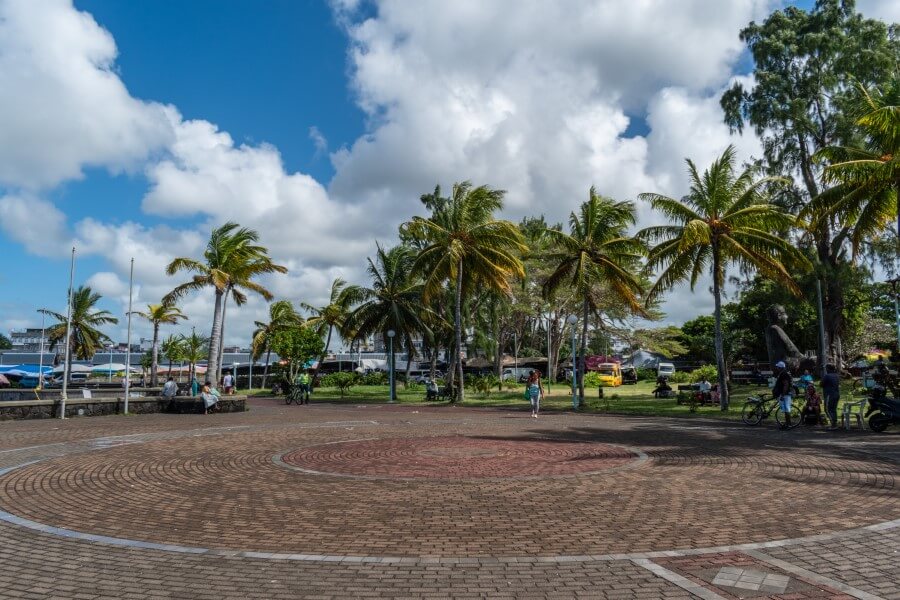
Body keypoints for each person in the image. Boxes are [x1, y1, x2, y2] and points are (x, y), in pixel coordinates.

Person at [772, 361, 794, 429]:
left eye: (777, 367)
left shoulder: (784, 374)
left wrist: (783, 395)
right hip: (785, 394)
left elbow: (786, 384)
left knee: (787, 410)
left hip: (785, 394)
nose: (777, 368)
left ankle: (788, 425)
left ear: (780, 367)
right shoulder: (783, 373)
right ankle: (787, 424)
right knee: (785, 410)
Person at [821, 364, 840, 430]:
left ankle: (833, 424)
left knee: (827, 409)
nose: (826, 370)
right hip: (837, 394)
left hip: (829, 394)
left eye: (826, 368)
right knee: (833, 409)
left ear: (828, 369)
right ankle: (835, 424)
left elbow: (821, 384)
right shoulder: (837, 375)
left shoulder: (827, 376)